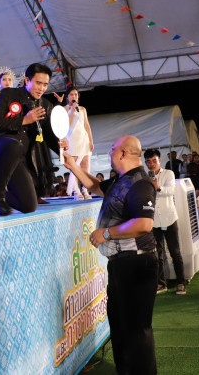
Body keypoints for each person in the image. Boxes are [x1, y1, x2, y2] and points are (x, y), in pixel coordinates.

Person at [62, 135, 158, 375]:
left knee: (136, 329)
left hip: (137, 262)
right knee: (120, 324)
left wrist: (106, 233)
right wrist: (73, 165)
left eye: (113, 149)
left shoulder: (140, 183)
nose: (110, 153)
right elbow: (95, 186)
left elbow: (144, 223)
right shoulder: (120, 180)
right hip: (121, 264)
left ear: (123, 153)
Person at [0, 63, 67, 215]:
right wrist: (25, 120)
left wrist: (62, 149)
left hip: (19, 156)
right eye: (38, 83)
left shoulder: (46, 105)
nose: (42, 88)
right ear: (27, 80)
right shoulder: (9, 94)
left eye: (45, 85)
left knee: (29, 206)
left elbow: (48, 135)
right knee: (14, 146)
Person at [144, 149, 186, 295]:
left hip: (169, 218)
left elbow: (171, 191)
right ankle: (161, 284)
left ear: (159, 160)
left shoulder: (169, 173)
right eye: (148, 161)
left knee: (175, 252)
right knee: (157, 254)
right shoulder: (145, 177)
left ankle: (181, 282)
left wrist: (157, 187)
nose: (151, 164)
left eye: (154, 161)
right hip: (154, 220)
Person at [63, 88, 94, 199]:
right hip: (72, 140)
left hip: (83, 139)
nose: (74, 96)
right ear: (67, 96)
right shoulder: (64, 109)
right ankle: (77, 191)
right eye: (71, 94)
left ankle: (85, 189)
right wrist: (72, 110)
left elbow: (87, 125)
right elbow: (66, 125)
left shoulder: (82, 109)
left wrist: (91, 140)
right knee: (75, 166)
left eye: (76, 94)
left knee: (86, 164)